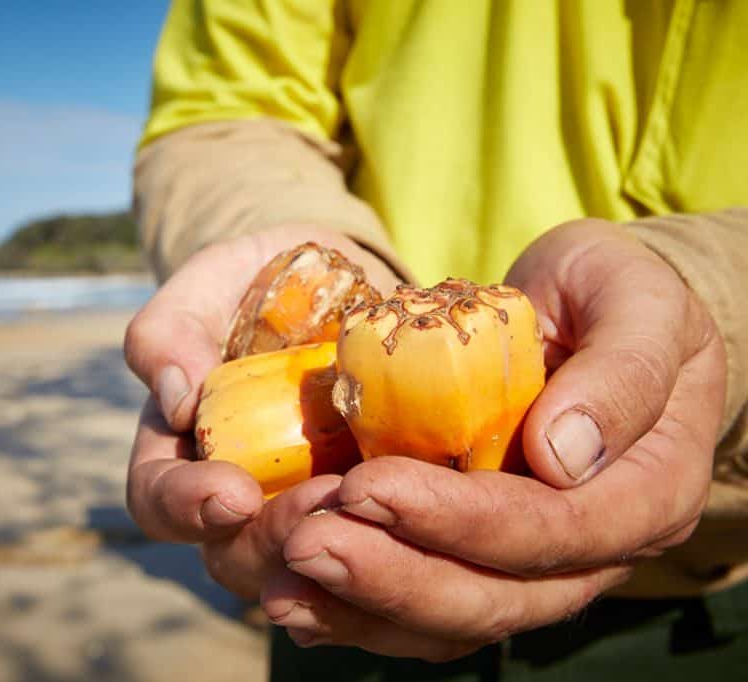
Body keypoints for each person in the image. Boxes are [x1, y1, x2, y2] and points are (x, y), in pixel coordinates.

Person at [124, 2, 748, 679]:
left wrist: (710, 305)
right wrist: (284, 242)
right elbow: (229, 107)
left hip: (699, 593)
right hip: (343, 584)